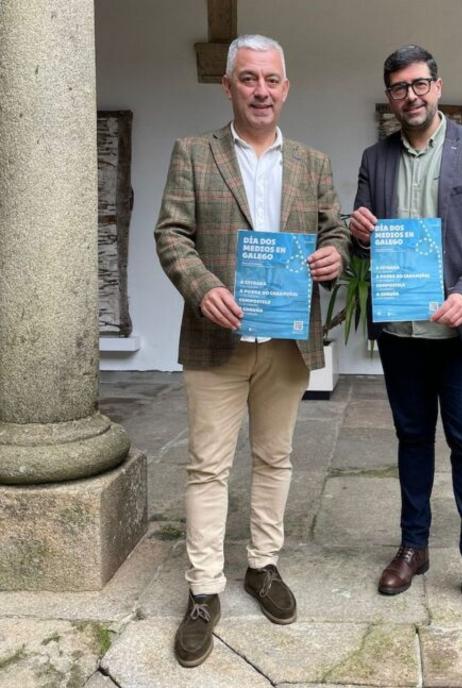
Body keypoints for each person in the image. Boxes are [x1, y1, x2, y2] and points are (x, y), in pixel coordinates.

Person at [155, 34, 350, 667]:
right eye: (248, 79)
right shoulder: (193, 153)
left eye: (271, 79)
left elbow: (335, 229)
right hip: (218, 336)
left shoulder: (313, 163)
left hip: (287, 341)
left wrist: (334, 256)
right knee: (208, 466)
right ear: (229, 85)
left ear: (285, 88)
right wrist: (202, 287)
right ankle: (203, 589)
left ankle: (262, 566)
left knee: (276, 457)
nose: (261, 90)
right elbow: (172, 234)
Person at [349, 44, 462, 629]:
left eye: (419, 84)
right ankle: (413, 547)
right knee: (413, 439)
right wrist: (360, 231)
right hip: (403, 331)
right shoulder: (376, 158)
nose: (411, 96)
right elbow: (362, 237)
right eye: (399, 88)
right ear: (391, 97)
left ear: (438, 86)